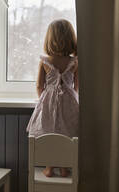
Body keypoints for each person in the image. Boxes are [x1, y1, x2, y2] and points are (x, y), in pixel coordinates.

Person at [26, 19, 79, 177]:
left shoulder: (45, 62)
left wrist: (43, 99)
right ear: (71, 39)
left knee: (49, 132)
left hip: (49, 101)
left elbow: (39, 86)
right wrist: (70, 97)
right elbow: (76, 86)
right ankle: (64, 168)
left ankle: (49, 167)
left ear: (50, 39)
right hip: (69, 100)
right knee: (67, 134)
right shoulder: (74, 62)